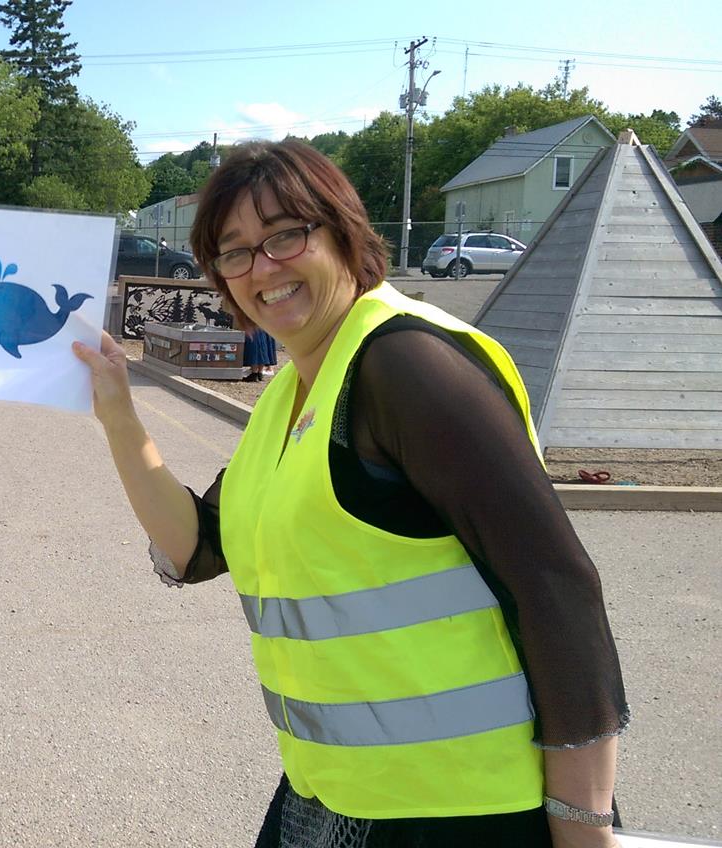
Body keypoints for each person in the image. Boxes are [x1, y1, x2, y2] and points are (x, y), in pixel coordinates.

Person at [73, 140, 628, 848]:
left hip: (457, 812)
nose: (261, 268)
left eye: (285, 234)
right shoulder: (295, 392)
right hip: (329, 793)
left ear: (341, 231)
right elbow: (195, 547)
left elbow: (557, 586)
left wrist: (583, 825)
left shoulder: (405, 365)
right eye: (235, 252)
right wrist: (119, 414)